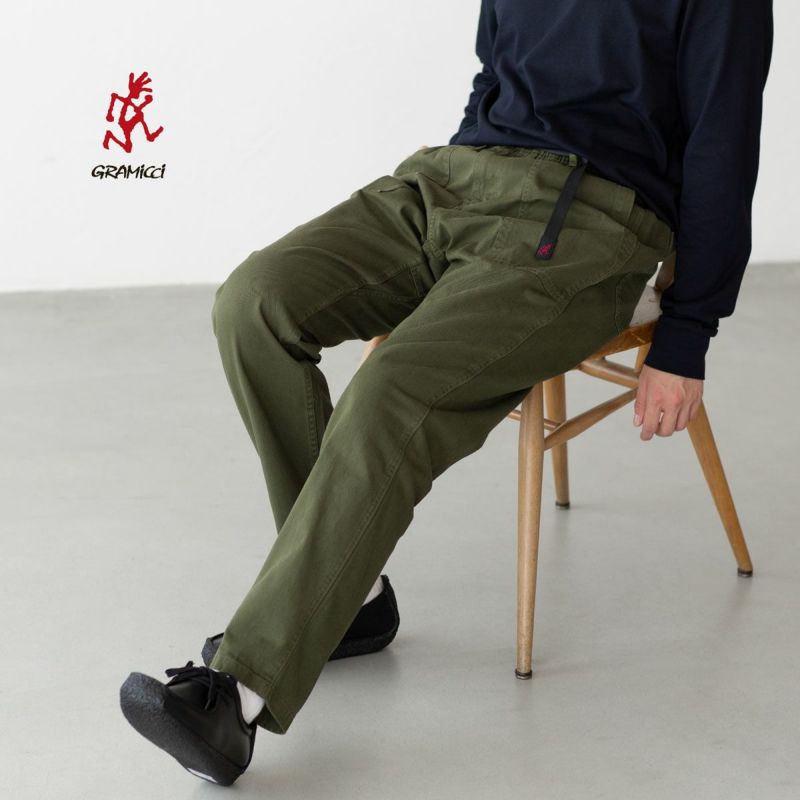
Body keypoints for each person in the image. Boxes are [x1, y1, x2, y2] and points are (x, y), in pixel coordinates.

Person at [119, 0, 773, 785]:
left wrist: (689, 332)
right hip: (454, 180)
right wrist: (464, 152)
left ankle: (240, 694)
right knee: (253, 304)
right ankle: (349, 601)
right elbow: (496, 71)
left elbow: (724, 144)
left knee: (390, 390)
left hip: (593, 219)